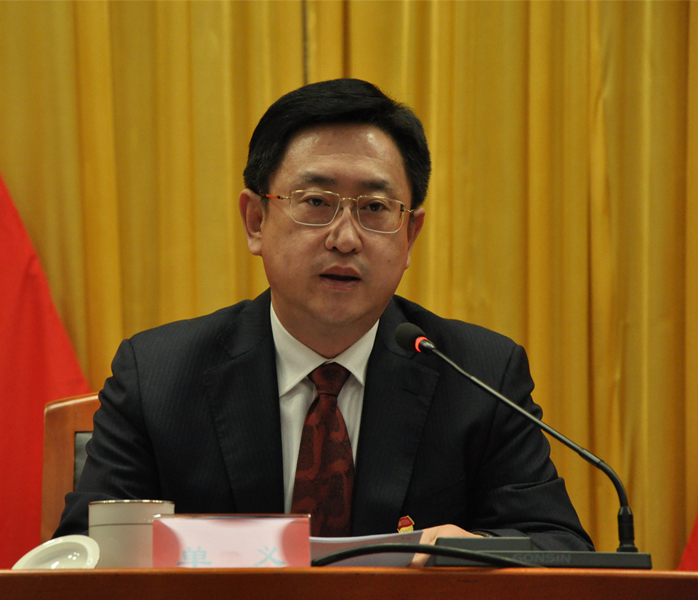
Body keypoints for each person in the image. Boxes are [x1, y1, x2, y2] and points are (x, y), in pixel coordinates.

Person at [54, 78, 593, 552]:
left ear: (410, 236)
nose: (345, 238)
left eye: (375, 208)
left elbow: (557, 545)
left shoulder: (480, 375)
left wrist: (468, 553)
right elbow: (85, 556)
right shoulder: (158, 377)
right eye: (316, 201)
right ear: (256, 220)